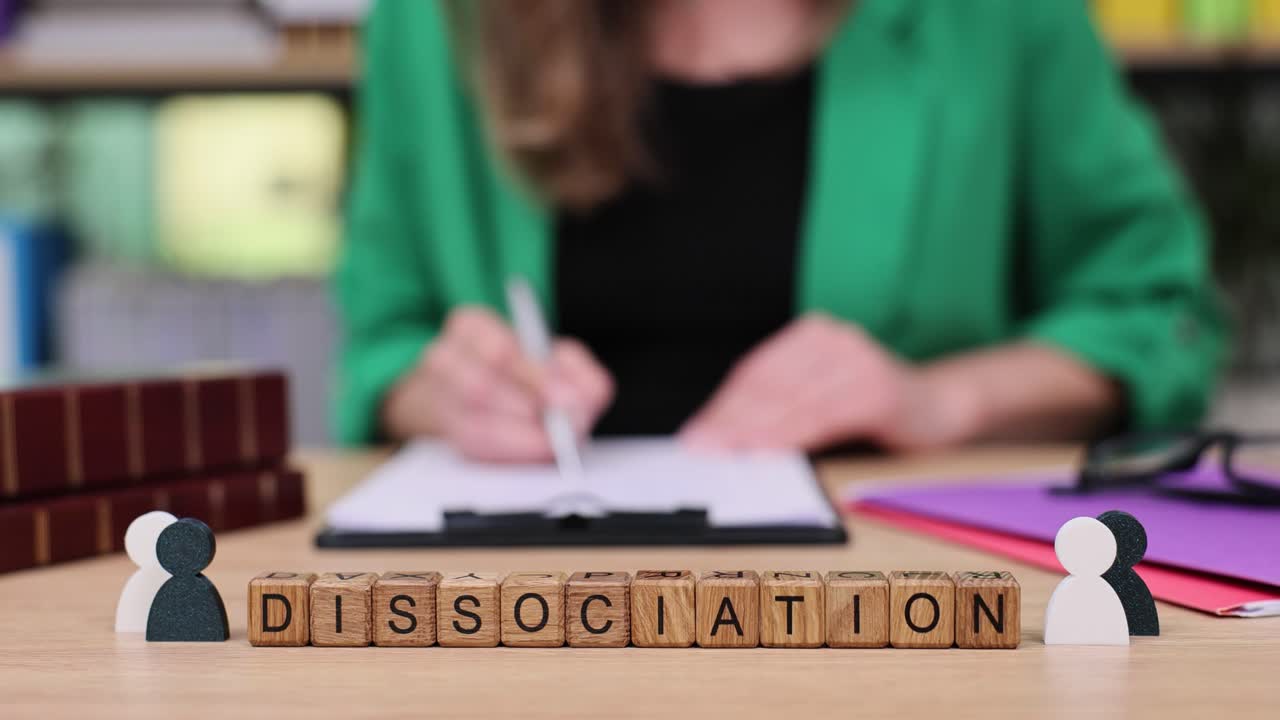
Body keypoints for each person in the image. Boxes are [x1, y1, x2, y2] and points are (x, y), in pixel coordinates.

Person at [335, 0, 1227, 460]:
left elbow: (1156, 312)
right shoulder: (438, 22)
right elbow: (387, 343)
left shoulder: (992, 17)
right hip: (518, 607)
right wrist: (451, 395)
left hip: (890, 607)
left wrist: (939, 399)